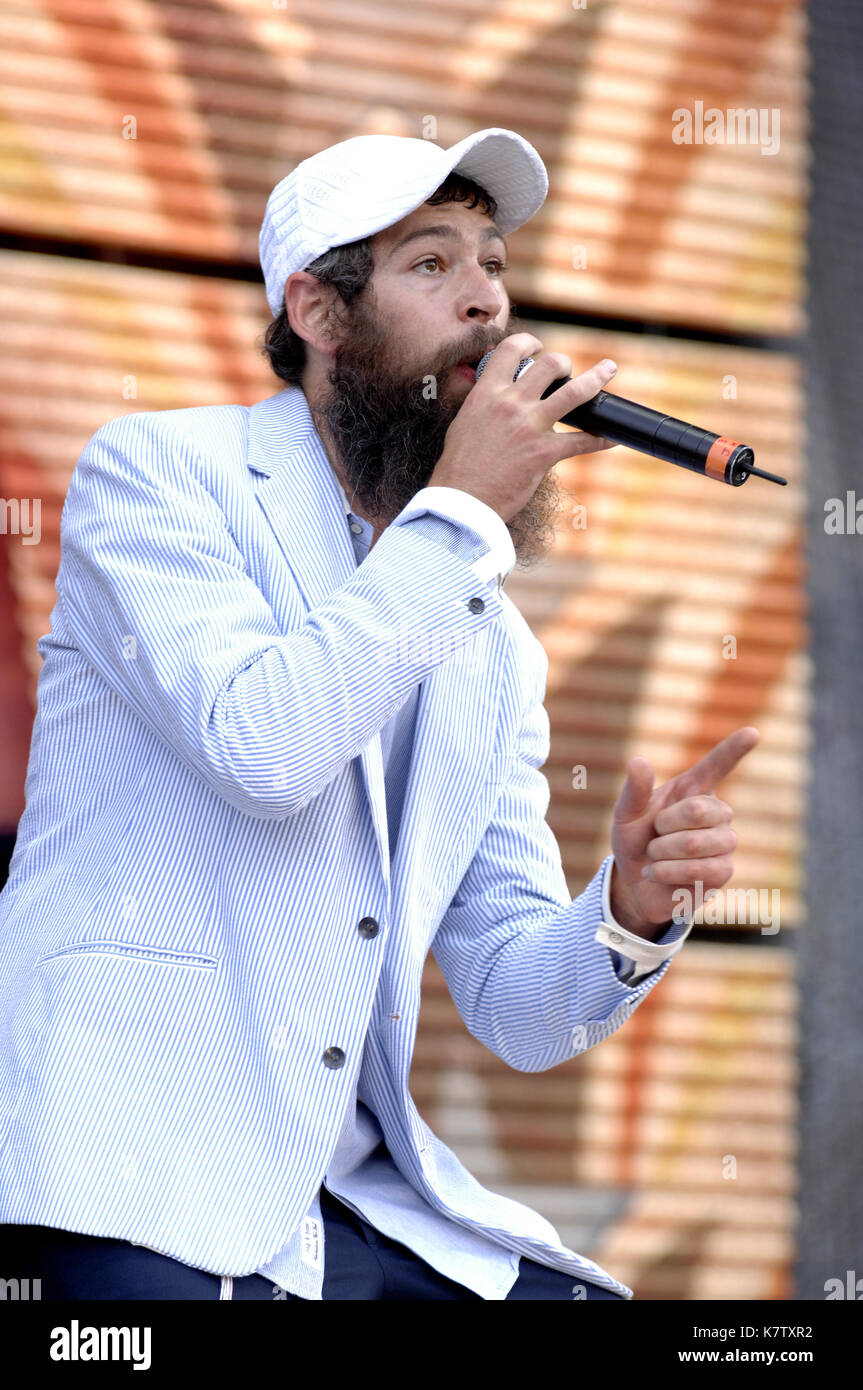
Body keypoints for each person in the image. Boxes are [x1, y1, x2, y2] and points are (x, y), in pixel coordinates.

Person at [0, 128, 757, 1300]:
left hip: (351, 1198)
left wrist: (628, 909)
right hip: (132, 1177)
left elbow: (513, 1002)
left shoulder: (480, 628)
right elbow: (264, 746)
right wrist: (462, 509)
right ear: (315, 309)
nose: (484, 301)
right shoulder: (157, 474)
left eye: (494, 265)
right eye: (429, 263)